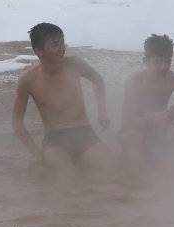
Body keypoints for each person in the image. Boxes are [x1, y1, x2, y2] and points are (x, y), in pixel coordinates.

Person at [12, 22, 113, 169]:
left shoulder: (75, 64)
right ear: (39, 51)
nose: (61, 48)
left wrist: (102, 112)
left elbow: (98, 80)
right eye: (55, 44)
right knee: (64, 173)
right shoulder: (28, 79)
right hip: (55, 139)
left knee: (108, 166)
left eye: (62, 43)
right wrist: (37, 154)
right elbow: (17, 123)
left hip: (84, 133)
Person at [119, 34, 174, 165]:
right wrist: (152, 119)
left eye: (168, 61)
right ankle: (138, 176)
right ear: (145, 61)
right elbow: (126, 121)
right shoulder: (135, 81)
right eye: (158, 62)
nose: (163, 67)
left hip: (162, 131)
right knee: (133, 137)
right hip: (138, 131)